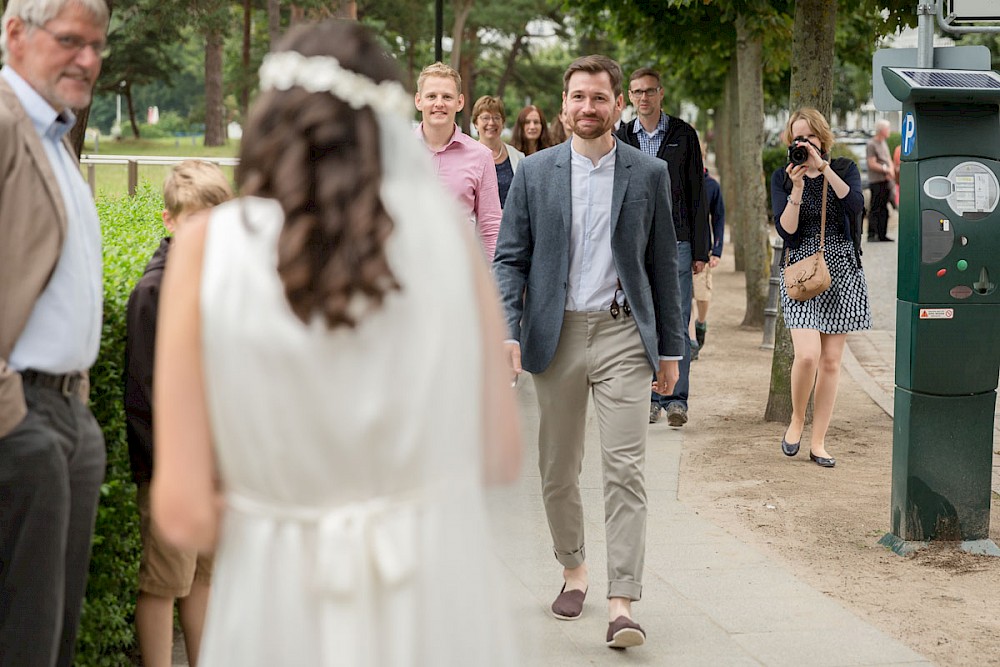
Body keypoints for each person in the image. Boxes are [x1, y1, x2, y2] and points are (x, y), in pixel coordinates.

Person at [150, 20, 522, 667]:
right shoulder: (446, 238)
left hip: (275, 600)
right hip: (425, 596)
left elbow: (183, 514)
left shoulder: (205, 247)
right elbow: (499, 453)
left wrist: (280, 512)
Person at [493, 54, 684, 650]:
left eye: (599, 98)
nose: (587, 107)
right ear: (564, 105)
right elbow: (510, 257)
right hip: (556, 334)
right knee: (556, 468)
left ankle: (622, 602)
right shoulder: (537, 173)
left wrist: (672, 350)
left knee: (625, 469)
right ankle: (573, 570)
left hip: (625, 334)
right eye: (578, 97)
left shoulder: (648, 173)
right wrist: (508, 331)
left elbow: (663, 267)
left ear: (617, 106)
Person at [0, 1, 109, 665]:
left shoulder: (53, 137)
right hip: (23, 417)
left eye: (98, 45)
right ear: (15, 33)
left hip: (69, 415)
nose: (88, 60)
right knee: (23, 644)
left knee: (51, 643)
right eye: (70, 41)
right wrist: (16, 416)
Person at [125, 160, 234, 667]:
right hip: (172, 469)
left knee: (203, 577)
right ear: (170, 221)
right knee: (165, 580)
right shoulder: (154, 292)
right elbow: (146, 395)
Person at [771, 108, 871, 469]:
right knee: (808, 354)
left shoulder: (843, 169)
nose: (805, 145)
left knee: (831, 362)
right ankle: (798, 418)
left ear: (822, 139)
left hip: (840, 269)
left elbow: (855, 206)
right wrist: (797, 187)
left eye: (810, 138)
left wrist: (823, 168)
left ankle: (819, 441)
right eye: (798, 139)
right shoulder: (783, 178)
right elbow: (787, 232)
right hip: (800, 272)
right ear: (790, 142)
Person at [616, 67, 709, 427]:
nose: (644, 98)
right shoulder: (622, 137)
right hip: (637, 242)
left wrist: (702, 248)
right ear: (629, 96)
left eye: (650, 91)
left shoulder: (683, 135)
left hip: (679, 240)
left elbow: (698, 193)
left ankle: (677, 399)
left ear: (661, 94)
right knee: (644, 318)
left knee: (678, 316)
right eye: (637, 92)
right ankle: (652, 396)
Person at [414, 61, 502, 261]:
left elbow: (491, 228)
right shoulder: (397, 151)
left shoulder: (481, 156)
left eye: (447, 97)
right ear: (418, 101)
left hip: (461, 279)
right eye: (431, 96)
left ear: (460, 102)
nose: (439, 103)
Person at [691, 151, 726, 359]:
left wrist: (717, 251)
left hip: (703, 251)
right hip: (681, 249)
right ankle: (691, 341)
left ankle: (701, 324)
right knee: (685, 298)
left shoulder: (712, 185)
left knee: (702, 296)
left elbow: (719, 219)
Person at [472, 95, 524, 208]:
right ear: (476, 124)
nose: (491, 123)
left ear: (503, 123)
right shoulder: (467, 157)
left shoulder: (518, 157)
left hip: (511, 223)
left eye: (496, 117)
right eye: (485, 118)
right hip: (479, 224)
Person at [866, 118, 895, 242]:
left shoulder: (884, 143)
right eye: (887, 129)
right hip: (876, 181)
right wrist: (885, 169)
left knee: (884, 208)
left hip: (886, 180)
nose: (889, 131)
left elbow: (888, 159)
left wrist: (891, 170)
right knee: (875, 208)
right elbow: (871, 163)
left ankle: (883, 234)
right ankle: (872, 234)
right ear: (881, 130)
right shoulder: (871, 144)